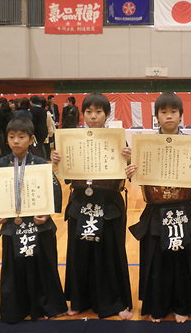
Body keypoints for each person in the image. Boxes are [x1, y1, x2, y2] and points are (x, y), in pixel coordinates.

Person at [128, 92, 191, 323]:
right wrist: (130, 173)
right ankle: (158, 307)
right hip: (156, 210)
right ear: (156, 116)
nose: (169, 117)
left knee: (183, 260)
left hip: (183, 209)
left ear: (181, 115)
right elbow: (136, 174)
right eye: (163, 112)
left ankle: (182, 305)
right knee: (158, 260)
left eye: (173, 112)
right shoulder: (145, 145)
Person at [52, 93, 134, 320]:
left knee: (109, 252)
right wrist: (57, 160)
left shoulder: (118, 139)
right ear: (83, 114)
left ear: (107, 115)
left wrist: (129, 158)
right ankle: (79, 300)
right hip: (81, 201)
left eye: (99, 112)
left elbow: (130, 171)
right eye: (88, 112)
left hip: (109, 204)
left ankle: (115, 302)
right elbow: (63, 174)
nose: (93, 116)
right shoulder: (72, 138)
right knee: (80, 253)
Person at [0, 117, 68, 323]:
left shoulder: (40, 164)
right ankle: (16, 308)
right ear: (6, 140)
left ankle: (45, 306)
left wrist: (47, 213)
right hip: (12, 226)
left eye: (21, 136)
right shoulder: (0, 165)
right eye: (12, 137)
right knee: (14, 269)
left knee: (41, 267)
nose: (16, 141)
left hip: (38, 225)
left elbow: (54, 190)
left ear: (32, 139)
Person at [30, 95, 49, 159]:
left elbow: (34, 122)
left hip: (37, 131)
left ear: (31, 102)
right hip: (44, 129)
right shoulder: (43, 110)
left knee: (37, 146)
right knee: (41, 145)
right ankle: (43, 159)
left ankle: (40, 160)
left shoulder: (32, 110)